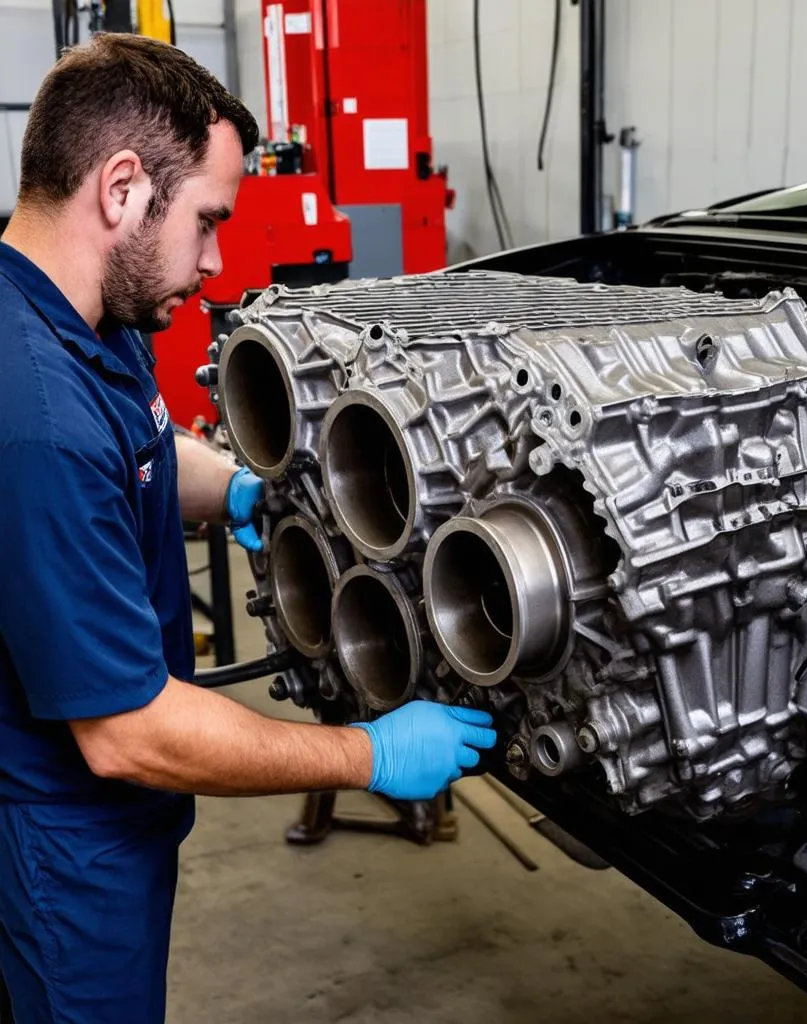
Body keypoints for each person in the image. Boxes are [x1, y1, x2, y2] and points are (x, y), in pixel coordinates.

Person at [0, 33, 496, 1024]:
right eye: (208, 221)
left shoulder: (83, 316)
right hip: (59, 850)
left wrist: (243, 493)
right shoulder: (32, 415)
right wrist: (367, 755)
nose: (219, 263)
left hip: (109, 835)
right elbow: (129, 733)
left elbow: (138, 443)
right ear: (123, 186)